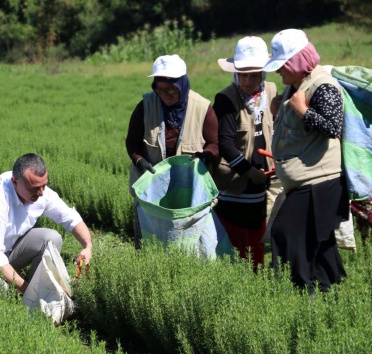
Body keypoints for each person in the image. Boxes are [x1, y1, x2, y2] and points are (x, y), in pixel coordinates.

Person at [263, 29, 348, 294]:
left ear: (296, 63)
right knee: (318, 245)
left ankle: (304, 293)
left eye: (282, 66)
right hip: (305, 183)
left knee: (286, 235)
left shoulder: (323, 85)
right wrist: (281, 111)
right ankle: (327, 298)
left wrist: (302, 110)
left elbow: (333, 126)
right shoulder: (295, 86)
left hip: (319, 183)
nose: (278, 72)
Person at [0, 153, 92, 294]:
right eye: (35, 188)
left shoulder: (37, 188)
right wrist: (28, 291)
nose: (41, 193)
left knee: (52, 238)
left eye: (44, 185)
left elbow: (70, 217)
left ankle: (42, 290)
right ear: (15, 182)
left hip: (9, 249)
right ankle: (32, 295)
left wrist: (87, 247)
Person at [125, 54, 219, 248]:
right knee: (150, 243)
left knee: (190, 245)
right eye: (159, 90)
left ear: (182, 85)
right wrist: (139, 160)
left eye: (170, 90)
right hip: (153, 191)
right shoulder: (145, 106)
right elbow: (132, 142)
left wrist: (205, 156)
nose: (165, 95)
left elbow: (214, 144)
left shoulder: (202, 108)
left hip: (188, 189)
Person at [213, 36, 276, 271]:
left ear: (264, 73)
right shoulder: (225, 99)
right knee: (237, 244)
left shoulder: (270, 91)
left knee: (257, 239)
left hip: (262, 182)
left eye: (254, 74)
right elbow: (225, 144)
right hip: (235, 183)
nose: (248, 81)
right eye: (243, 74)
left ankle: (256, 280)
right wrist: (249, 171)